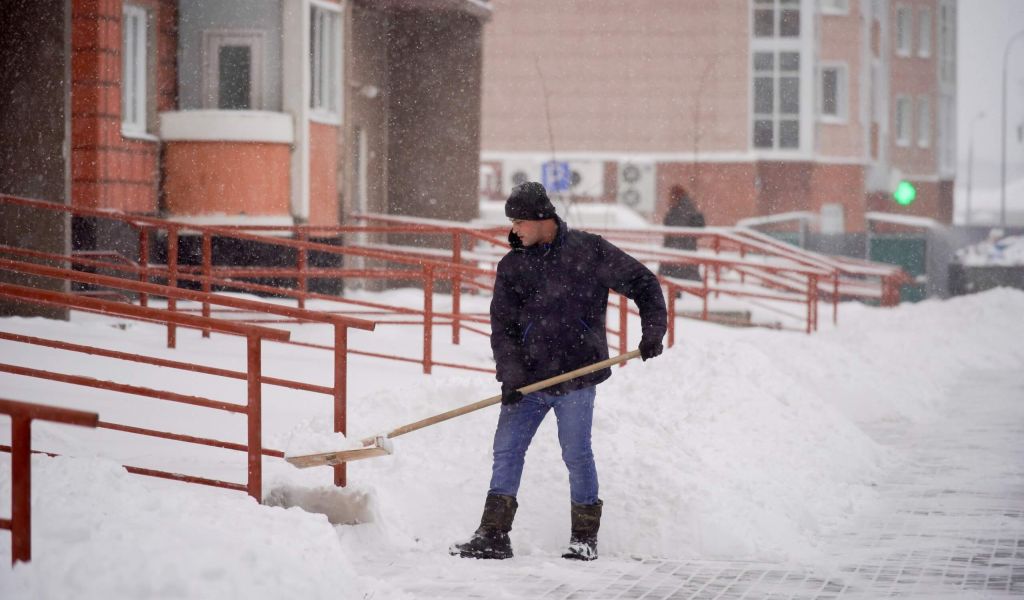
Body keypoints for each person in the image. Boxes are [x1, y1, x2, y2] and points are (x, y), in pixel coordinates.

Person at [450, 181, 667, 562]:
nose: (513, 229)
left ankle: (584, 538)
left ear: (541, 218)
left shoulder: (589, 251)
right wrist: (511, 376)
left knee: (577, 453)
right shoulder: (513, 265)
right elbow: (503, 328)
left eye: (519, 221)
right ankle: (494, 535)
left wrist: (652, 331)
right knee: (507, 450)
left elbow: (644, 283)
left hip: (578, 375)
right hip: (529, 380)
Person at [658, 185, 706, 282]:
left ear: (675, 196)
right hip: (684, 251)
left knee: (675, 279)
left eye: (670, 195)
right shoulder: (688, 207)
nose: (669, 198)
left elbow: (674, 228)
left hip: (678, 251)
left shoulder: (679, 210)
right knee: (682, 279)